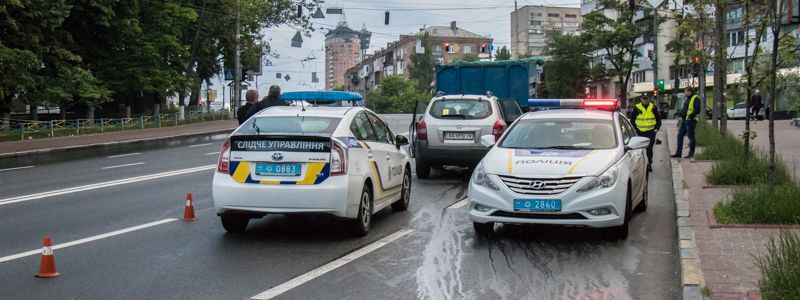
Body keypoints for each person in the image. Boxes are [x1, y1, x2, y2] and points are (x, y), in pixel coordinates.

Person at [630, 94, 661, 172]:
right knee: (640, 150)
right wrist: (635, 129)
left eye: (646, 98)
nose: (645, 100)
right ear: (641, 99)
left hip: (651, 131)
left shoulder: (653, 107)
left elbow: (658, 119)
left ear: (649, 99)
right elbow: (632, 120)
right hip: (640, 132)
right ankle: (640, 165)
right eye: (643, 99)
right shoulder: (637, 107)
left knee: (649, 148)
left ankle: (649, 164)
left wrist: (657, 128)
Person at [672, 87, 701, 158]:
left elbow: (697, 109)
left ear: (690, 92)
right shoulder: (686, 99)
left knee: (691, 137)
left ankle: (691, 153)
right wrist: (679, 113)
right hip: (684, 120)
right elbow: (685, 109)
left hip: (691, 121)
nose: (685, 93)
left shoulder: (695, 98)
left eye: (685, 91)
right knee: (679, 136)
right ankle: (678, 153)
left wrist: (691, 116)